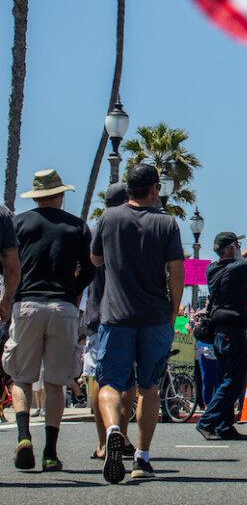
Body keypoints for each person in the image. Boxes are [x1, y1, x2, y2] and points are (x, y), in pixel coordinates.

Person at [90, 164, 184, 482]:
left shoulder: (108, 218)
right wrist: (174, 311)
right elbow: (176, 272)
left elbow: (95, 259)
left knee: (109, 383)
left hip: (116, 317)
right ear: (155, 189)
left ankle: (113, 431)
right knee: (148, 387)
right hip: (155, 317)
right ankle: (142, 458)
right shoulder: (167, 223)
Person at [2, 169, 94, 473]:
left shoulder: (19, 223)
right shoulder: (77, 226)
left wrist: (8, 297)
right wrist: (74, 291)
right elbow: (90, 270)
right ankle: (51, 452)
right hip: (62, 306)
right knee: (56, 382)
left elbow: (8, 264)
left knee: (21, 377)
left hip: (26, 303)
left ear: (36, 196)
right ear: (61, 194)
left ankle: (23, 436)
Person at [195, 232, 247, 441]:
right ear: (231, 248)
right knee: (234, 381)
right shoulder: (239, 268)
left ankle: (224, 426)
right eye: (237, 245)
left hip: (219, 333)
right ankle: (207, 421)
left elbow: (233, 264)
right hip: (234, 332)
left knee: (226, 379)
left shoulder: (212, 269)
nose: (240, 247)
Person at [85, 183, 138, 462]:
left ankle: (104, 441)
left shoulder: (98, 231)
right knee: (128, 379)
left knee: (102, 378)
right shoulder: (133, 233)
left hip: (99, 313)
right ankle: (122, 434)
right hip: (129, 314)